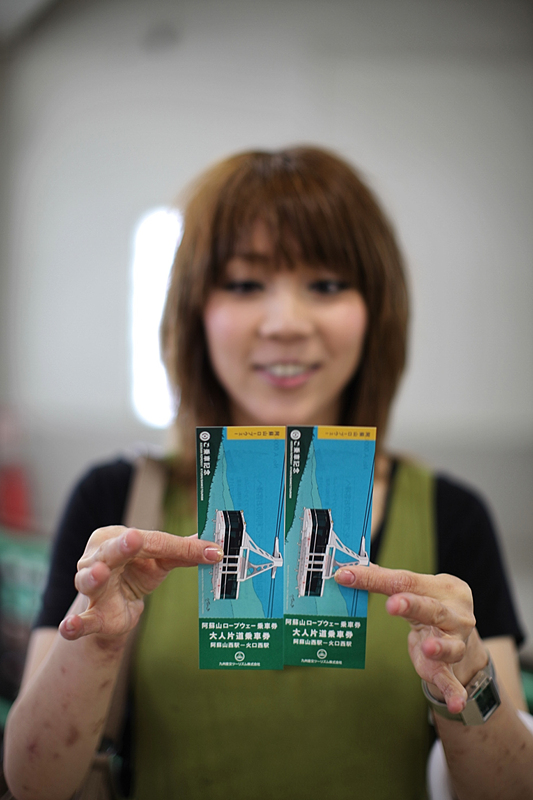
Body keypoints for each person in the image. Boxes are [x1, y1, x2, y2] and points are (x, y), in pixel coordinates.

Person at [3, 146, 533, 800]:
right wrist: (96, 644)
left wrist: (468, 677)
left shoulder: (450, 514)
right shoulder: (116, 502)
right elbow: (32, 783)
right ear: (195, 311)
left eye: (327, 285)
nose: (285, 324)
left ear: (377, 311)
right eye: (244, 284)